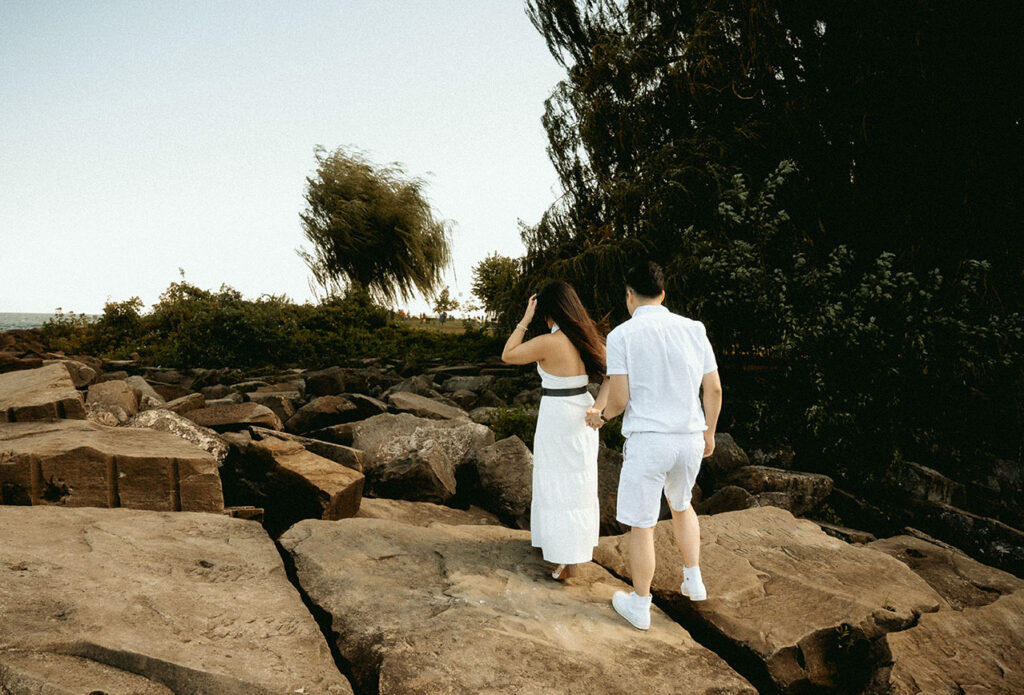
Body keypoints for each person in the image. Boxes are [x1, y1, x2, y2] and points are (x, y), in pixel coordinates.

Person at [587, 261, 722, 630]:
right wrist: (709, 433)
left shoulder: (621, 336)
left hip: (649, 441)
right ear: (662, 294)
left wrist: (602, 417)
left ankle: (640, 605)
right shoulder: (694, 329)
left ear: (629, 295)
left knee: (643, 527)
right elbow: (713, 389)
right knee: (682, 505)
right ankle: (693, 579)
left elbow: (620, 398)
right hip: (689, 438)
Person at [501, 281, 605, 580]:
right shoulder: (591, 339)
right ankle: (572, 555)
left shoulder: (550, 342)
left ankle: (565, 559)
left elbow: (508, 354)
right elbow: (614, 376)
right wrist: (600, 408)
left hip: (557, 416)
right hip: (583, 411)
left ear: (548, 310)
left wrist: (525, 318)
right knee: (580, 483)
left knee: (556, 482)